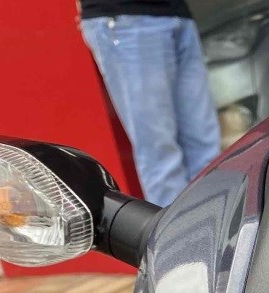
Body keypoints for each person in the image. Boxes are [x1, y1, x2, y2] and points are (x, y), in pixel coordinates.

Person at [78, 0, 222, 205]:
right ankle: (181, 227)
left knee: (206, 150)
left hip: (176, 13)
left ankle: (217, 220)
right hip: (126, 18)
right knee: (161, 159)